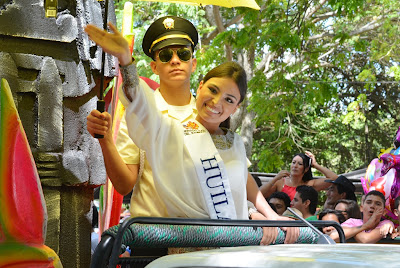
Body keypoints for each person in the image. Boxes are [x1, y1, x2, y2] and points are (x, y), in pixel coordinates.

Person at [85, 17, 298, 244]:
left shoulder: (210, 116)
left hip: (209, 237)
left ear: (193, 64)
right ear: (154, 66)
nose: (175, 61)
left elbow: (232, 181)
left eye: (183, 54)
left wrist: (254, 212)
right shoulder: (144, 113)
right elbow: (125, 183)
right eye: (166, 55)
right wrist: (105, 139)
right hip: (157, 236)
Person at [260, 152, 337, 200]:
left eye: (299, 164)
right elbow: (259, 195)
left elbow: (334, 178)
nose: (295, 166)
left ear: (306, 169)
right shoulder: (280, 182)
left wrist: (315, 165)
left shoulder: (310, 184)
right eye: (293, 162)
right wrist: (275, 178)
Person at [329, 190, 394, 243]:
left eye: (378, 204)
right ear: (361, 208)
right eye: (369, 202)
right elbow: (333, 236)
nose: (372, 206)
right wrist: (365, 226)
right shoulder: (352, 221)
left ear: (384, 212)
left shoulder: (386, 224)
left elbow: (365, 240)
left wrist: (352, 231)